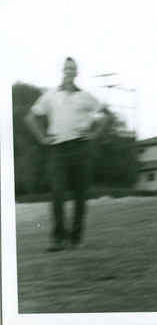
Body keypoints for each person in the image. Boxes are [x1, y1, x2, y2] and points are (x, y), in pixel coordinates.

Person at [25, 57, 110, 251]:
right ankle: (58, 239)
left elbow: (106, 115)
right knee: (57, 194)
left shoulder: (85, 96)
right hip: (58, 151)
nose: (69, 71)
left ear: (76, 72)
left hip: (80, 149)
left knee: (81, 195)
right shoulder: (51, 95)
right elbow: (30, 118)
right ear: (63, 71)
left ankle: (76, 239)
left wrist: (93, 134)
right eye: (67, 68)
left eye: (73, 68)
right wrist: (42, 139)